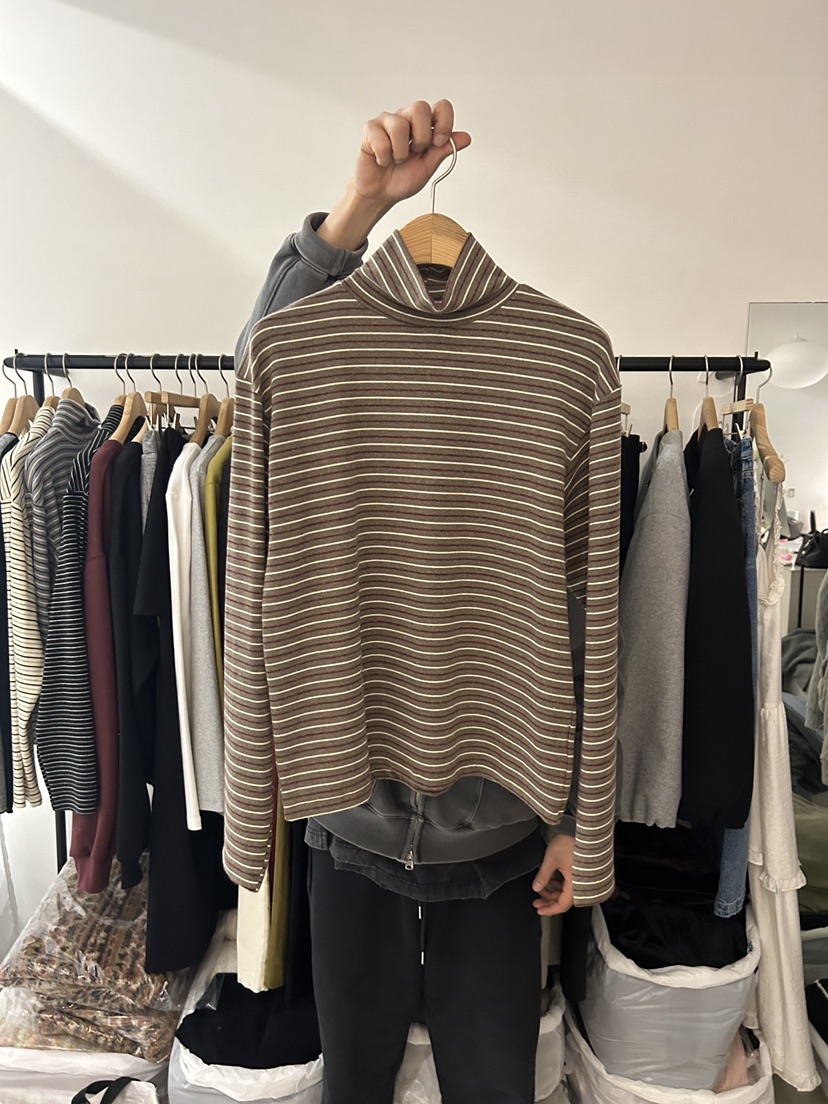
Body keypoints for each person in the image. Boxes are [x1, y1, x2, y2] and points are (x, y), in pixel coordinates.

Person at [234, 99, 582, 1104]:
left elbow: (587, 618)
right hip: (349, 821)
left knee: (494, 1085)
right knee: (353, 1081)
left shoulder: (562, 365)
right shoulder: (304, 357)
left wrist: (574, 818)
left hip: (503, 835)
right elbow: (262, 357)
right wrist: (357, 209)